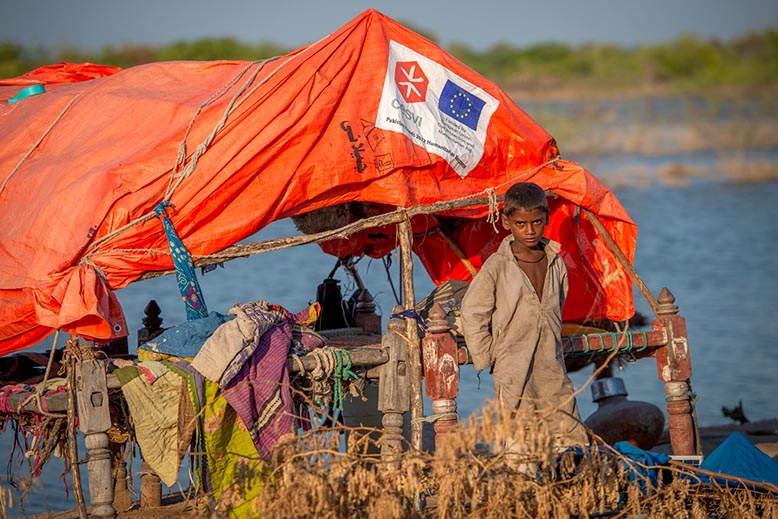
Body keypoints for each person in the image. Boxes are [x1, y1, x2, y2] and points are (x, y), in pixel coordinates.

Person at [460, 181, 588, 450]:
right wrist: (489, 356)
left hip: (551, 362)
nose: (529, 231)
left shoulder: (555, 260)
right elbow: (472, 311)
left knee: (568, 431)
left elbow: (558, 303)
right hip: (512, 366)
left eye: (536, 223)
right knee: (520, 437)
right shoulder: (498, 265)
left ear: (546, 219)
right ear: (507, 222)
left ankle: (569, 481)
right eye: (521, 224)